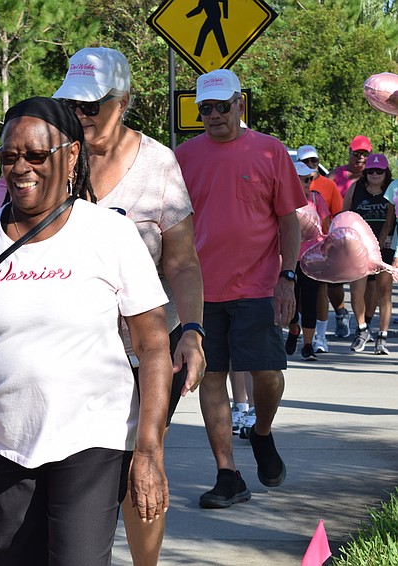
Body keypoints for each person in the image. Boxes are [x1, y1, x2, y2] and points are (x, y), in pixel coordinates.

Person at [0, 96, 174, 566]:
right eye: (8, 156)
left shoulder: (109, 234)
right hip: (2, 440)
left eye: (36, 155)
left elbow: (154, 345)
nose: (20, 168)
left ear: (72, 155)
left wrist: (149, 450)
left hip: (93, 435)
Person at [51, 46, 205, 566]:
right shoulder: (52, 157)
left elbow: (182, 263)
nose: (81, 116)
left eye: (92, 106)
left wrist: (193, 331)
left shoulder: (159, 165)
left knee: (142, 463)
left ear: (125, 101)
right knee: (74, 473)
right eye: (72, 104)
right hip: (67, 353)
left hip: (142, 353)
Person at [175, 69, 305, 509]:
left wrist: (288, 278)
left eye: (221, 106)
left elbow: (289, 220)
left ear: (239, 105)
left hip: (258, 285)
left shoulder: (269, 152)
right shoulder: (184, 157)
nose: (213, 116)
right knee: (211, 378)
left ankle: (263, 433)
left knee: (268, 373)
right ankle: (227, 474)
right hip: (200, 289)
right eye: (204, 109)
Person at [342, 153, 395, 354]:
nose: (374, 174)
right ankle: (362, 329)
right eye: (370, 170)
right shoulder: (356, 188)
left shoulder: (392, 189)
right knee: (356, 291)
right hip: (359, 248)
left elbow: (392, 220)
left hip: (386, 248)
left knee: (384, 292)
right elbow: (344, 214)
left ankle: (382, 336)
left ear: (385, 172)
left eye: (379, 171)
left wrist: (385, 247)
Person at [297, 144, 350, 345]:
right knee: (298, 298)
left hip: (317, 252)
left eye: (314, 161)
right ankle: (298, 330)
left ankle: (318, 338)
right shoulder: (287, 190)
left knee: (319, 293)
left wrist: (334, 244)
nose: (311, 165)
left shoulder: (327, 186)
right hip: (293, 254)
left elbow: (335, 216)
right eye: (306, 162)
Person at [286, 161, 332, 361]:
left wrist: (329, 249)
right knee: (291, 301)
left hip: (312, 258)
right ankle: (293, 328)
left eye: (309, 179)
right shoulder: (282, 200)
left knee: (310, 300)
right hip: (289, 258)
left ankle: (307, 345)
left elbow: (327, 226)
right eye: (303, 179)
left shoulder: (316, 199)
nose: (307, 183)